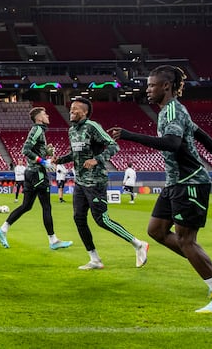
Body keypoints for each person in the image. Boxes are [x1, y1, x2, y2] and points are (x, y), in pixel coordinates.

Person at [108, 65, 212, 314]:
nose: (147, 90)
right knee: (156, 231)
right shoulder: (176, 110)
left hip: (189, 182)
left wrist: (128, 135)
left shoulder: (172, 111)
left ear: (166, 86)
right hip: (175, 183)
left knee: (186, 240)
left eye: (151, 85)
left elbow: (172, 143)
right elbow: (201, 135)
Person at [53, 97, 149, 271]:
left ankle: (138, 244)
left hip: (95, 181)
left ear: (85, 112)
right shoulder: (72, 130)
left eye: (75, 109)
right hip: (81, 182)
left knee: (101, 220)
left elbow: (113, 146)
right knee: (78, 218)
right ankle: (94, 259)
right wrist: (60, 159)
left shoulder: (93, 126)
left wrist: (97, 160)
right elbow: (75, 154)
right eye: (71, 109)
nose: (71, 112)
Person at [0, 107, 73, 251]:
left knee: (27, 206)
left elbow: (33, 149)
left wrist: (46, 152)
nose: (47, 115)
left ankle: (3, 229)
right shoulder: (37, 129)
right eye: (45, 114)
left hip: (30, 173)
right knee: (46, 206)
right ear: (39, 118)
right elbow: (26, 149)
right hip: (38, 173)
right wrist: (43, 162)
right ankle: (53, 240)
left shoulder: (39, 130)